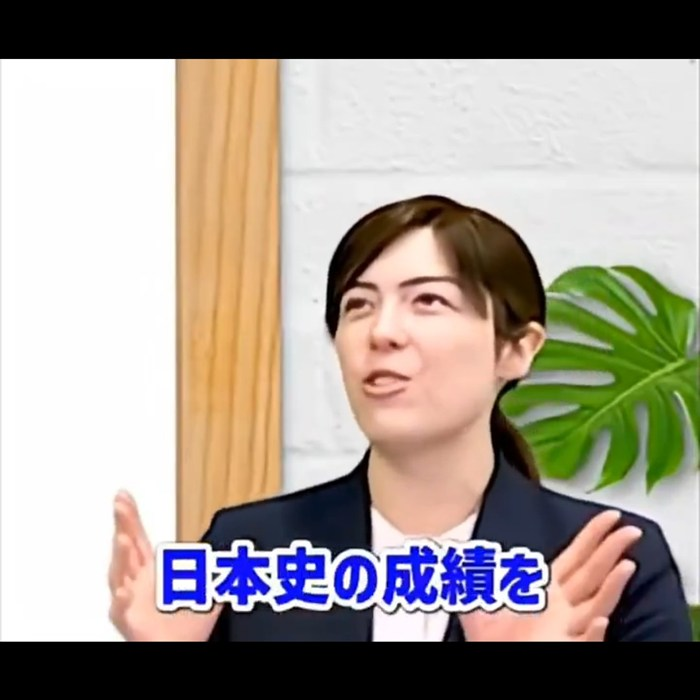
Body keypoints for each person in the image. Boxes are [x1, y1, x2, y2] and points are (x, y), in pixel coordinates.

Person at [108, 195, 693, 642]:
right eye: (358, 305)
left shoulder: (606, 563)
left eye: (428, 301)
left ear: (516, 349)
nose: (382, 332)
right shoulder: (251, 551)